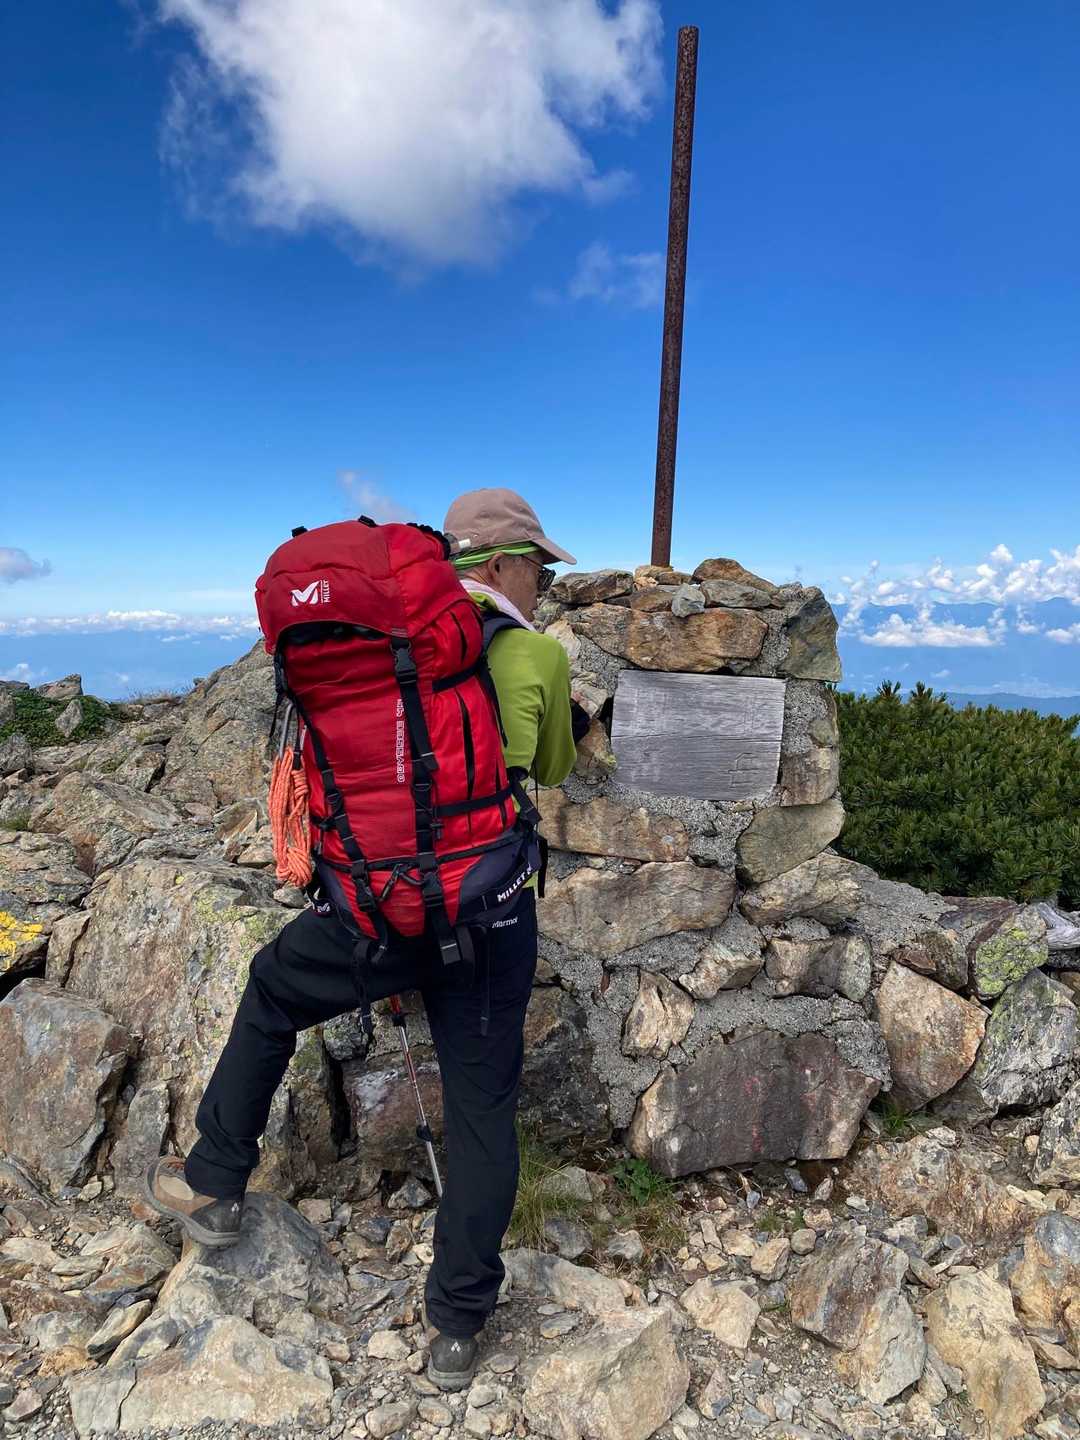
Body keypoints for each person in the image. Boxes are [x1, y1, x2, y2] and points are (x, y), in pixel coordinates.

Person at [145, 487, 582, 1392]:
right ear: (501, 564)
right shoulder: (532, 652)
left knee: (273, 989)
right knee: (482, 1109)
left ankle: (215, 1182)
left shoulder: (372, 644)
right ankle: (457, 1327)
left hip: (376, 910)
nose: (542, 584)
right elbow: (550, 767)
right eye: (538, 567)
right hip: (490, 910)